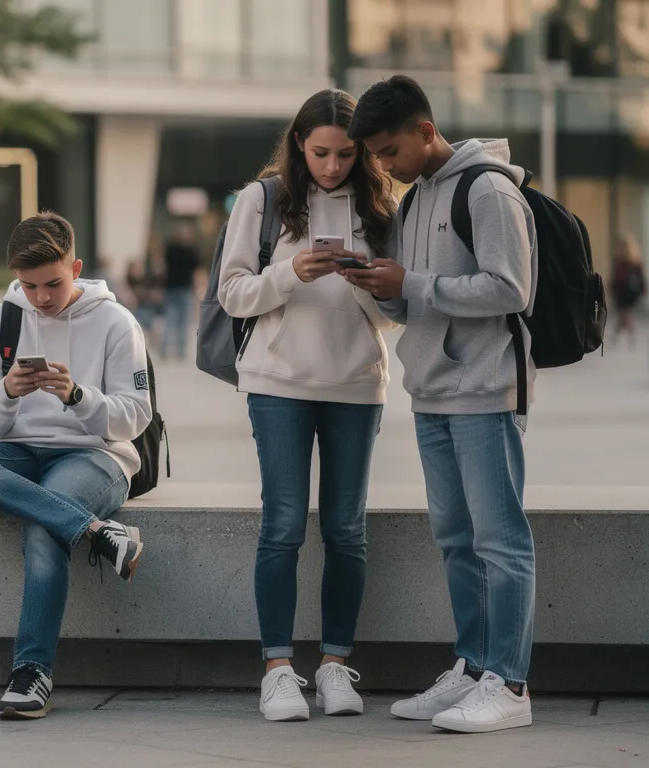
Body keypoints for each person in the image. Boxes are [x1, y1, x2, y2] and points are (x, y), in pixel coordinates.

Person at [345, 74, 537, 734]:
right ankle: (473, 665)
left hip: (484, 388)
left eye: (389, 151)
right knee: (456, 539)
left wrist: (415, 281)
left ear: (426, 132)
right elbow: (410, 301)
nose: (383, 166)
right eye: (375, 155)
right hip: (431, 389)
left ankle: (509, 683)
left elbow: (511, 288)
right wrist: (376, 284)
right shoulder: (413, 199)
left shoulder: (487, 188)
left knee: (499, 541)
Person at [217, 88, 399, 722]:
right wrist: (294, 270)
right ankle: (277, 670)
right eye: (320, 152)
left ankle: (334, 666)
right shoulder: (261, 200)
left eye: (346, 154)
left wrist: (362, 280)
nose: (332, 167)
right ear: (299, 144)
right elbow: (233, 294)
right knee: (284, 525)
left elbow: (397, 312)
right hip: (276, 382)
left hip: (355, 382)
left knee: (347, 529)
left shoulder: (381, 202)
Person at [0, 211, 149, 721]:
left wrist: (78, 396)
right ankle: (98, 533)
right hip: (21, 453)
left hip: (94, 454)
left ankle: (32, 672)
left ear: (75, 267)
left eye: (53, 283)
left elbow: (136, 416)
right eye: (29, 286)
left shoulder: (116, 322)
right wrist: (6, 392)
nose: (42, 298)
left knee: (41, 525)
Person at [161, 224, 200, 361]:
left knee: (174, 321)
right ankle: (177, 351)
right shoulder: (190, 251)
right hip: (179, 289)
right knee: (177, 321)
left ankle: (169, 350)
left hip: (177, 288)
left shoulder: (171, 249)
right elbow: (195, 272)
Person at [609, 233, 645, 348]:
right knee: (623, 315)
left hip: (625, 291)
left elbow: (640, 277)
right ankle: (624, 338)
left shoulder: (630, 261)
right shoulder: (625, 260)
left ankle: (625, 338)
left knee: (625, 314)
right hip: (624, 291)